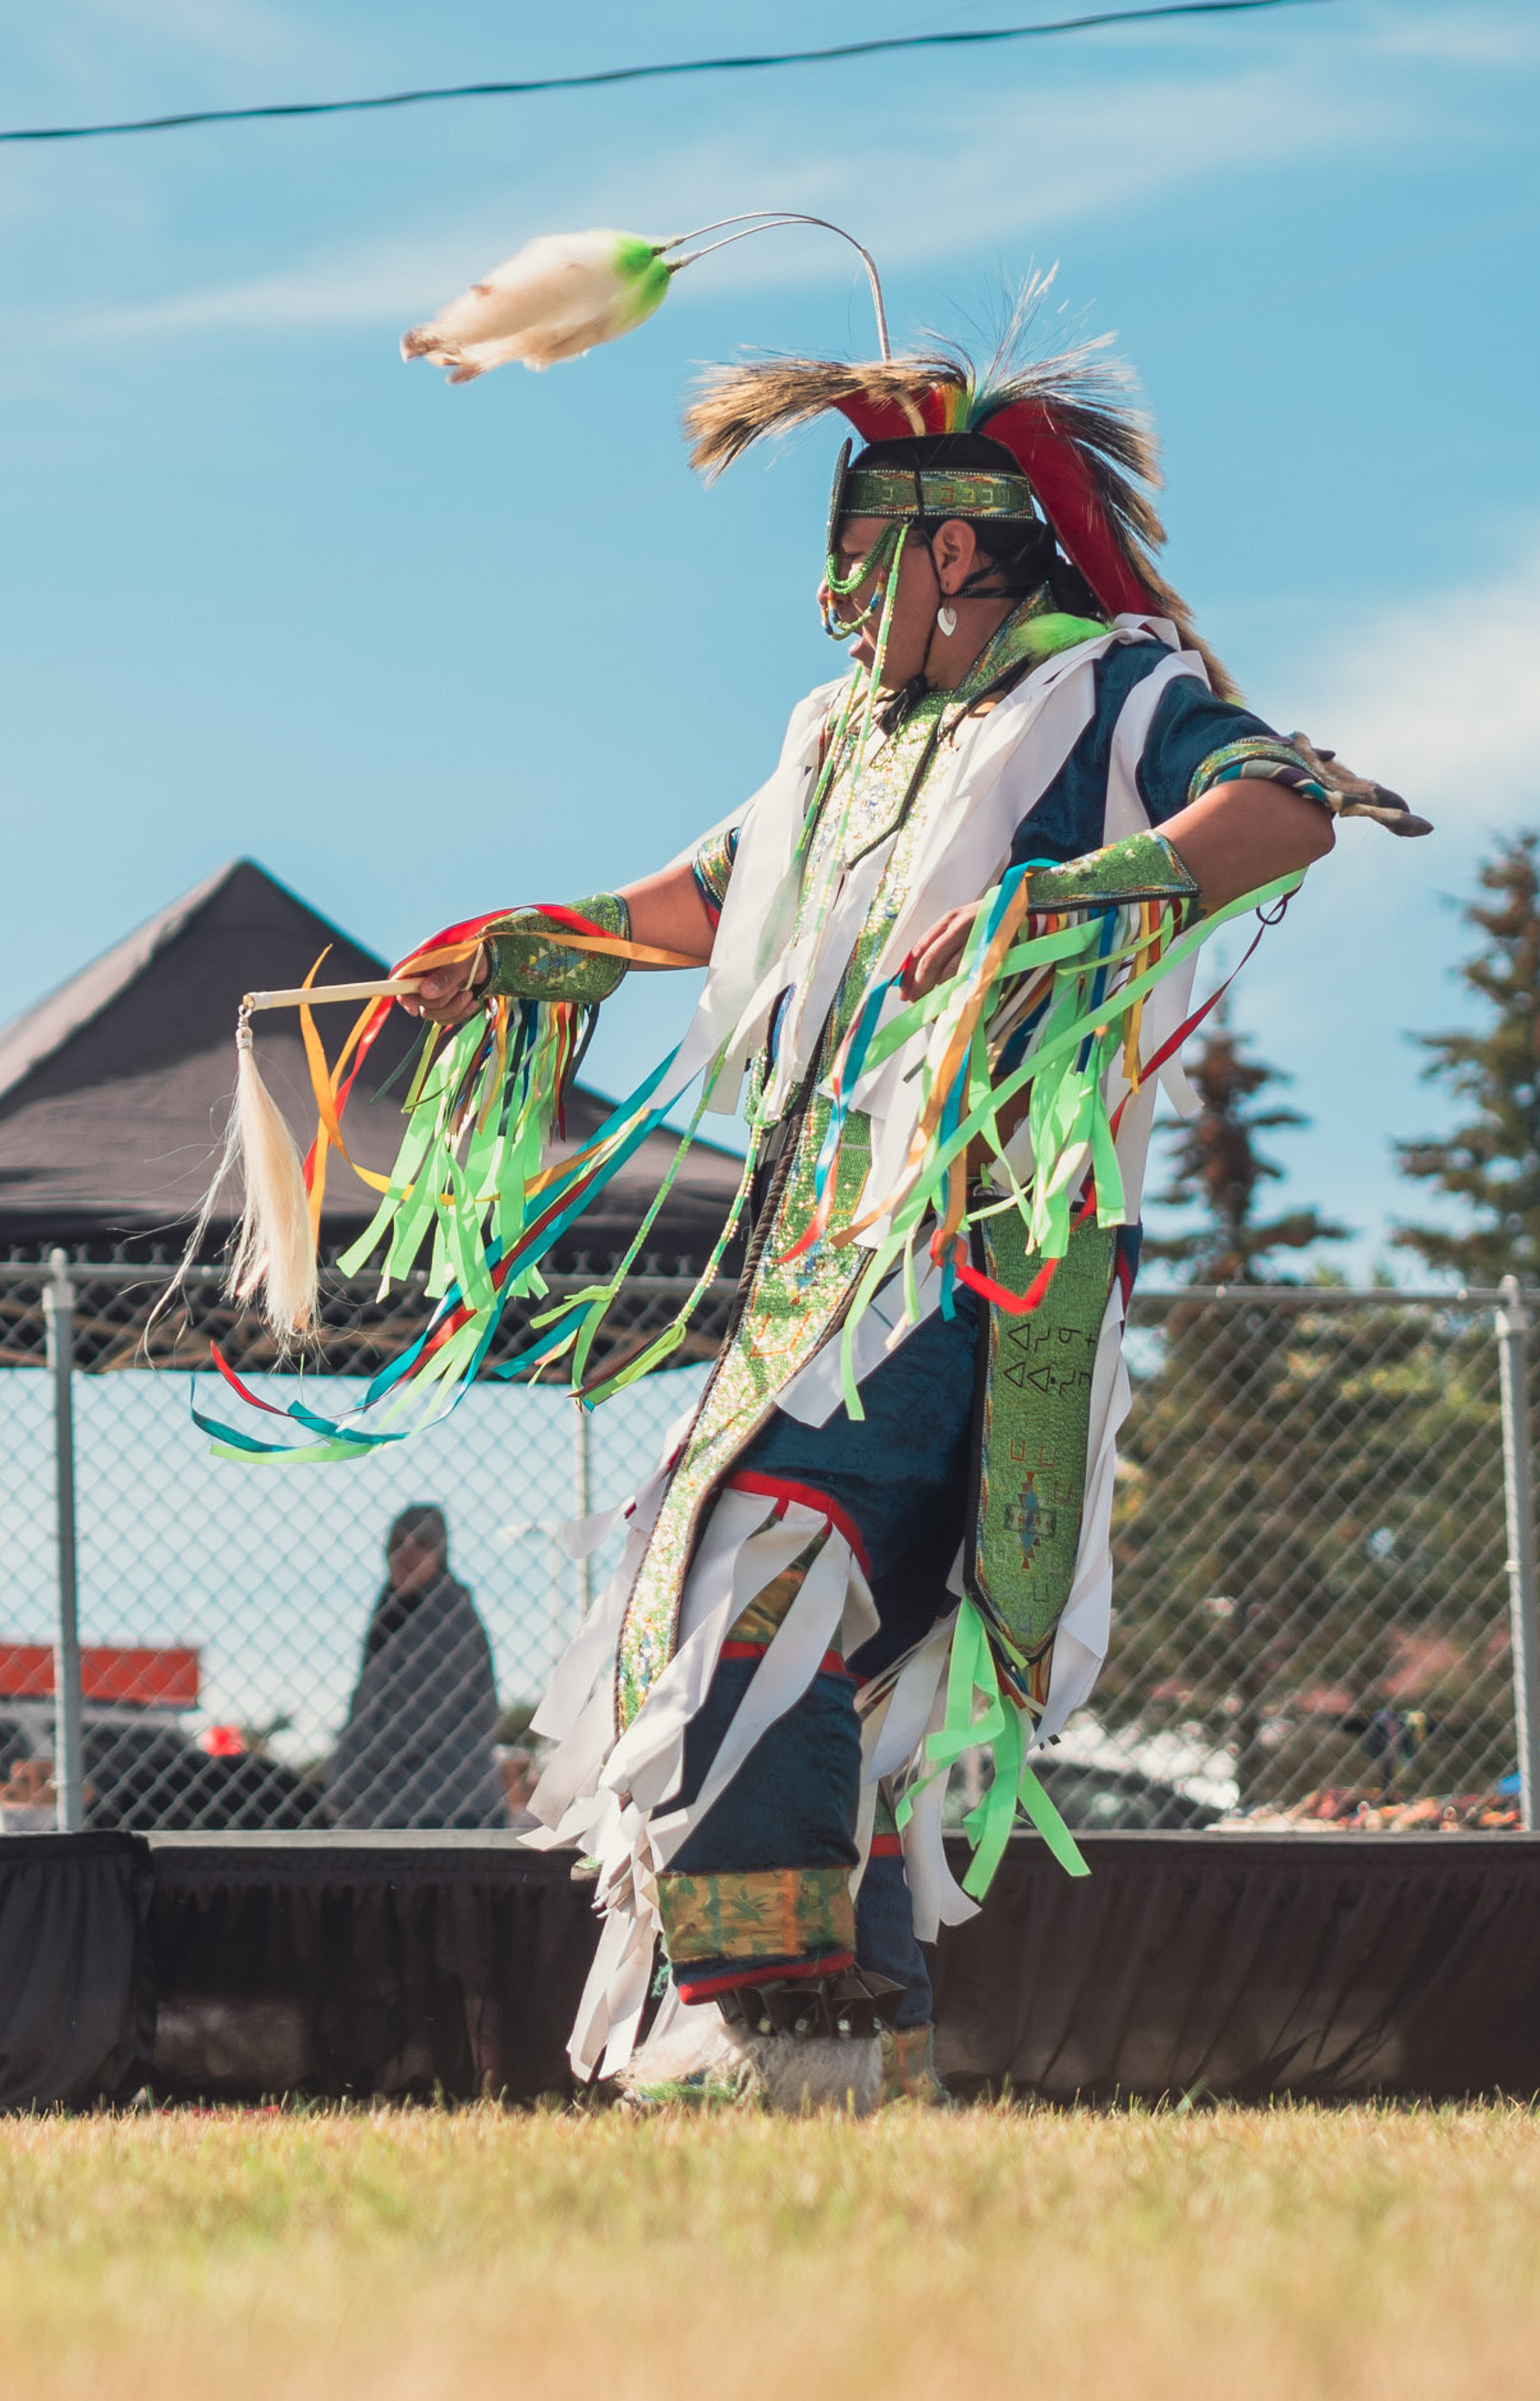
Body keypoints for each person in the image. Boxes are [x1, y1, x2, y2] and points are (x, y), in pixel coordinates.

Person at [366, 285, 1422, 2107]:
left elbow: (1272, 812)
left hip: (981, 1239)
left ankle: (774, 2011)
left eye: (861, 562)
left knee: (746, 1552)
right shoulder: (828, 742)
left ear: (959, 549)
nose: (834, 603)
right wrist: (536, 942)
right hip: (820, 1247)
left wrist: (1064, 897)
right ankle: (827, 2041)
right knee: (804, 1621)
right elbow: (711, 894)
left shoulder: (1108, 694)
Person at [325, 1505, 506, 1830]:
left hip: (445, 1805)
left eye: (421, 1542)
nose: (406, 1552)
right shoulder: (392, 1612)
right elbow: (367, 1708)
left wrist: (347, 1778)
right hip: (397, 1805)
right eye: (397, 1543)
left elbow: (420, 1718)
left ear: (439, 1554)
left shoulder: (449, 1612)